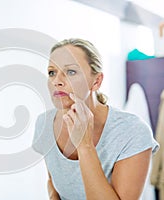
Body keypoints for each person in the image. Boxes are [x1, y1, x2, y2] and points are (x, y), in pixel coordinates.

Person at [32, 38, 159, 200]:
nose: (56, 81)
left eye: (71, 72)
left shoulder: (132, 131)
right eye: (52, 72)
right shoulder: (44, 124)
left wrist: (84, 146)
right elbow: (53, 182)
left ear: (96, 81)